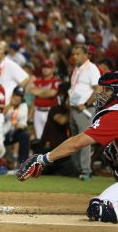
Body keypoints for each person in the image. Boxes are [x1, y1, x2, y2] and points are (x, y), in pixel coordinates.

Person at [16, 71, 118, 224]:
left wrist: (43, 158)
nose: (101, 94)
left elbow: (77, 143)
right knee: (97, 206)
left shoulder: (115, 114)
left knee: (101, 210)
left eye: (107, 90)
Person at [68, 44, 101, 180]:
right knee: (74, 140)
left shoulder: (92, 68)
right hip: (74, 108)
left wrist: (86, 104)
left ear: (86, 55)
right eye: (74, 54)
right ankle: (77, 170)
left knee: (84, 141)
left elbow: (98, 89)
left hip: (85, 110)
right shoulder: (77, 68)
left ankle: (86, 171)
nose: (75, 57)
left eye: (78, 54)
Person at [30, 59, 60, 140]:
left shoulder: (56, 80)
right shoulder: (37, 80)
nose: (45, 69)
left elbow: (52, 93)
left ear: (53, 69)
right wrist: (46, 91)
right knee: (39, 138)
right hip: (38, 112)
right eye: (44, 67)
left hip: (50, 112)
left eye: (48, 67)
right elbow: (32, 91)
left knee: (51, 137)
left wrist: (39, 91)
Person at [3, 86, 29, 171]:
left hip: (14, 132)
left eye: (21, 96)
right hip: (2, 132)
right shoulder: (6, 101)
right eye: (17, 95)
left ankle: (23, 166)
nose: (18, 98)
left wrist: (19, 125)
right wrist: (10, 105)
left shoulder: (23, 105)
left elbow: (24, 124)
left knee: (24, 135)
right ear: (13, 95)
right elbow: (0, 116)